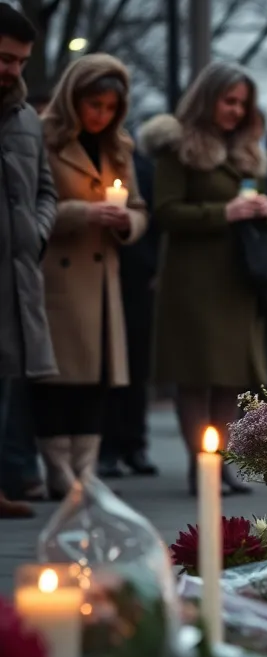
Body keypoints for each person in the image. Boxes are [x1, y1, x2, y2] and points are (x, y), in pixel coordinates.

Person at [151, 62, 267, 495]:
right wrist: (223, 213)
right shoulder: (178, 146)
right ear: (208, 98)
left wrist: (263, 209)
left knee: (228, 378)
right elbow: (164, 211)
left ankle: (220, 465)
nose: (236, 111)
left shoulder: (246, 150)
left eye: (243, 103)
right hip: (194, 279)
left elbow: (254, 200)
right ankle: (199, 468)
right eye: (229, 100)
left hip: (237, 278)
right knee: (195, 376)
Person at [34, 54, 149, 495]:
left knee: (98, 378)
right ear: (73, 99)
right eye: (93, 105)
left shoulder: (120, 147)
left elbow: (139, 209)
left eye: (109, 107)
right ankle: (58, 471)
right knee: (56, 379)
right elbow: (31, 204)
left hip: (103, 280)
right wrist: (83, 212)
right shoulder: (46, 138)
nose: (101, 115)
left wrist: (126, 224)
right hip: (59, 277)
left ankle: (85, 470)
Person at [0, 4, 56, 518]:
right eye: (3, 58)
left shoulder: (26, 121)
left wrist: (36, 232)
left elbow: (45, 189)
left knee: (5, 379)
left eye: (19, 61)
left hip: (15, 274)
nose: (12, 70)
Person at [98, 115, 162, 479]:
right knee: (106, 363)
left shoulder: (141, 167)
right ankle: (107, 447)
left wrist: (157, 268)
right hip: (101, 270)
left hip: (139, 273)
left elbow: (153, 220)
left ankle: (135, 443)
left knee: (136, 364)